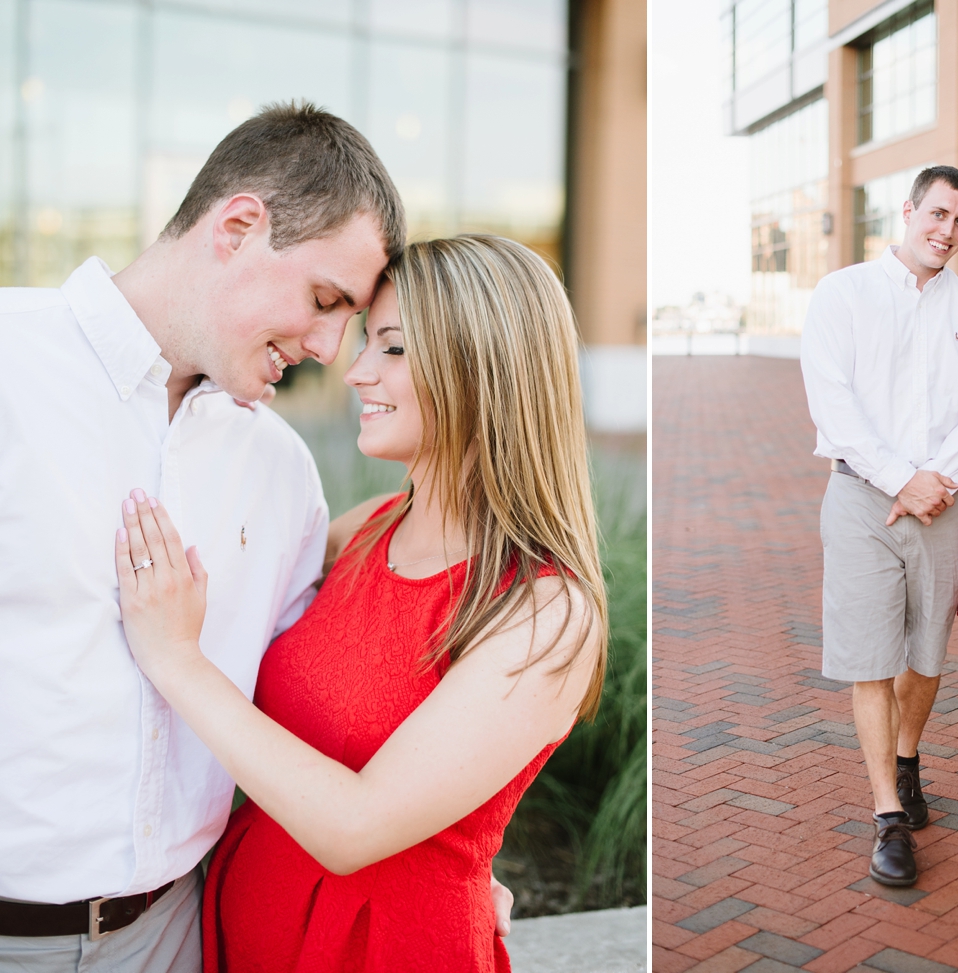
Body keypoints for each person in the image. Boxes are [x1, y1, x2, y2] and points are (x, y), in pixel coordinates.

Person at [112, 235, 606, 972]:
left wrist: (176, 660)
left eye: (393, 348)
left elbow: (354, 825)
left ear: (484, 368)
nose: (357, 371)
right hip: (244, 929)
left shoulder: (548, 613)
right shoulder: (366, 530)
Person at [0, 102, 408, 972]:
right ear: (237, 226)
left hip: (181, 934)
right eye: (325, 299)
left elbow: (299, 704)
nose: (333, 347)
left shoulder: (283, 468)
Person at [800, 166, 958, 887]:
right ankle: (888, 814)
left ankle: (908, 754)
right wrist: (900, 479)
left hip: (945, 503)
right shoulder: (844, 293)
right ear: (909, 210)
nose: (947, 232)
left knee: (927, 654)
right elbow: (834, 403)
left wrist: (938, 479)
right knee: (871, 660)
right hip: (862, 499)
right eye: (938, 215)